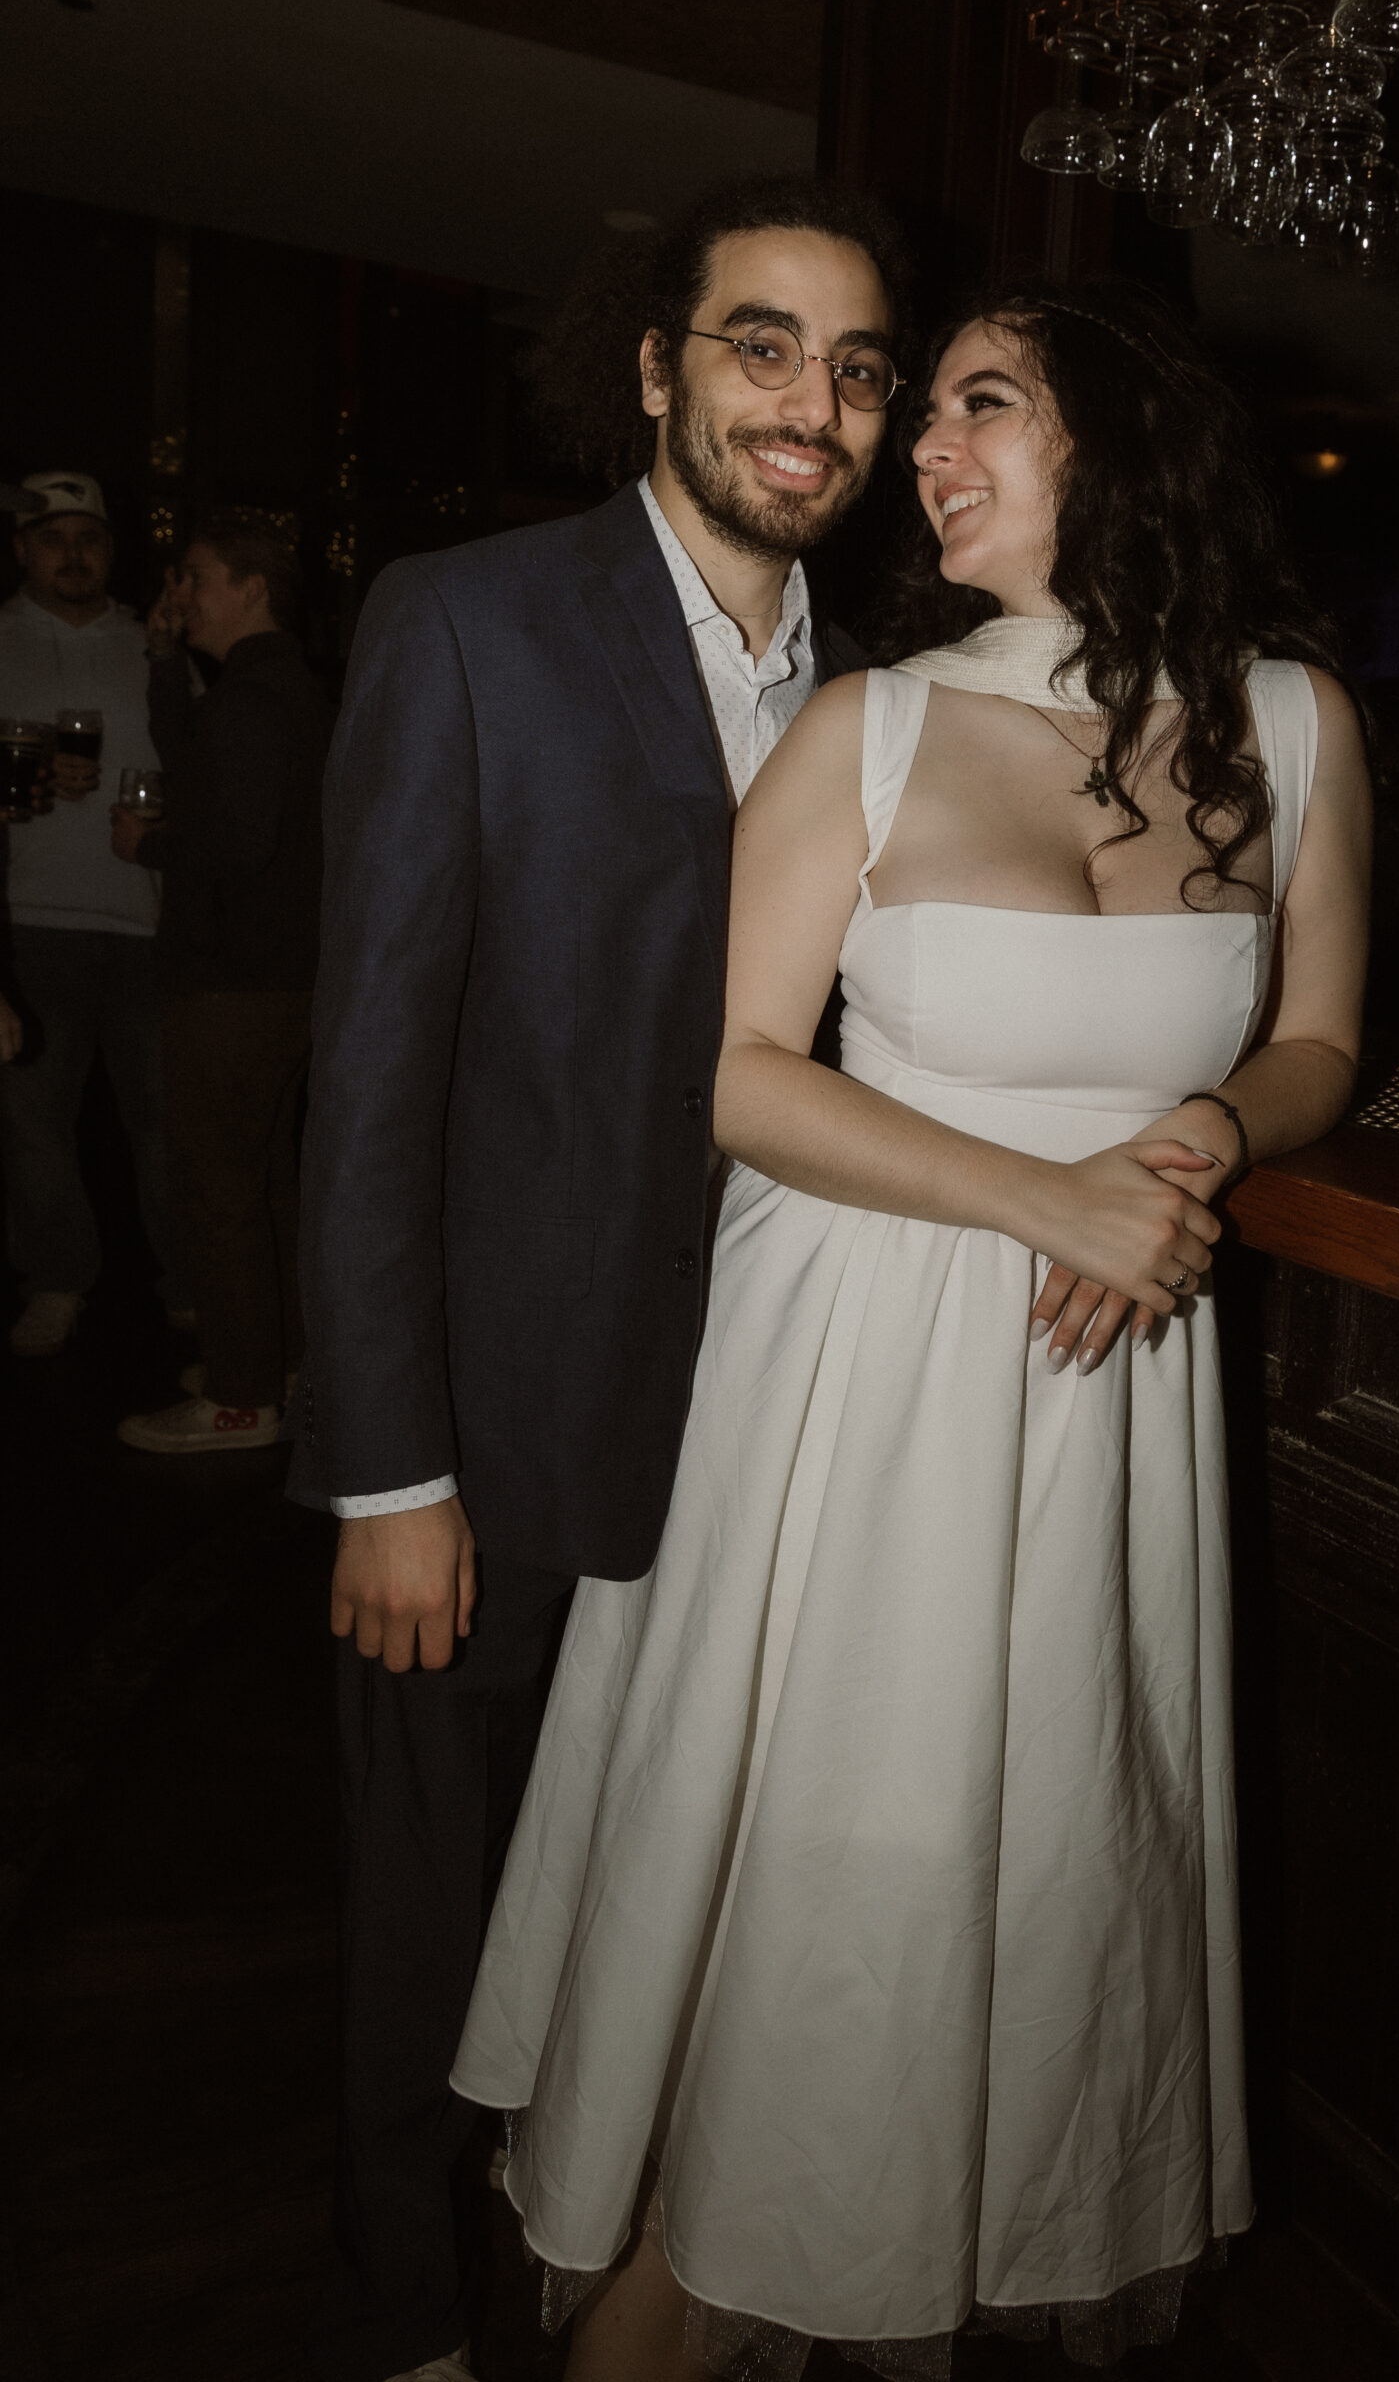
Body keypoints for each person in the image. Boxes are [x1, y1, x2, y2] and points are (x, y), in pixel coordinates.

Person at [451, 277, 1374, 2380]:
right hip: (847, 1377)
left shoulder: (1295, 725)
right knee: (814, 1878)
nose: (917, 447)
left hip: (1095, 1392)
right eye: (921, 407)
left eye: (977, 406)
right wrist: (1053, 1192)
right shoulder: (860, 724)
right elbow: (733, 1070)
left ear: (1117, 445)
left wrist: (1202, 1137)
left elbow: (1320, 1035)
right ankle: (673, 2289)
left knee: (1025, 1871)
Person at [286, 173, 913, 2382]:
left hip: (761, 1433)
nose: (808, 403)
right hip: (499, 1418)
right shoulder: (469, 619)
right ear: (654, 365)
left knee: (654, 1906)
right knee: (425, 1919)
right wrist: (384, 1468)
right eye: (760, 344)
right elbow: (370, 1069)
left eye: (851, 365)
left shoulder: (889, 690)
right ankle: (402, 2320)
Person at [112, 515, 329, 1452]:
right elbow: (202, 768)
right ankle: (278, 1364)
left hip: (232, 986)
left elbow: (231, 845)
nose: (177, 593)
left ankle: (242, 1397)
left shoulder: (253, 701)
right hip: (287, 981)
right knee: (264, 1181)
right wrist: (164, 665)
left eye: (195, 576)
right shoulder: (280, 687)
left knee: (218, 1187)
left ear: (252, 587)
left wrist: (148, 844)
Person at [0, 470, 187, 1355]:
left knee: (166, 1125)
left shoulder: (154, 643)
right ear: (21, 550)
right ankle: (59, 1282)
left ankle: (192, 1286)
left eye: (89, 539)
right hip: (26, 917)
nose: (72, 555)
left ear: (112, 550)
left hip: (144, 922)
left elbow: (202, 765)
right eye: (52, 539)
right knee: (34, 1126)